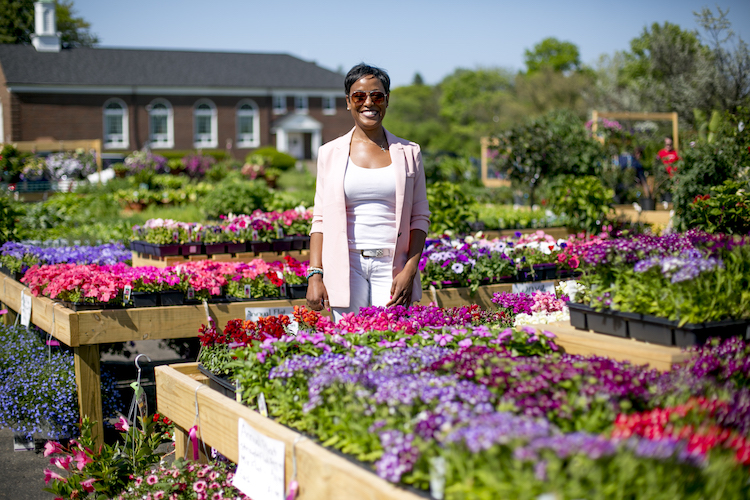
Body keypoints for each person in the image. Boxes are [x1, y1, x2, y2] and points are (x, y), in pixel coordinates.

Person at [306, 63, 430, 321]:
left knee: (392, 346)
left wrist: (410, 270)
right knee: (349, 347)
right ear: (348, 102)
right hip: (345, 266)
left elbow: (420, 217)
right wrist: (315, 274)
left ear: (387, 100)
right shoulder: (329, 153)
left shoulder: (410, 152)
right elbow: (319, 220)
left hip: (392, 267)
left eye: (377, 96)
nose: (368, 103)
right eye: (359, 96)